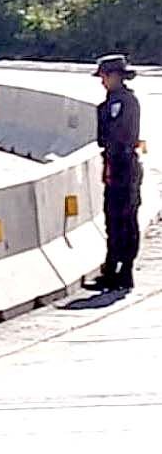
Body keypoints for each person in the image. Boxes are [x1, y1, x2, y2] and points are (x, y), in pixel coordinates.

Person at [85, 54, 143, 292]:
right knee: (113, 218)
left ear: (116, 77)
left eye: (105, 76)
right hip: (115, 165)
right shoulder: (112, 102)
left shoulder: (124, 102)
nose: (103, 81)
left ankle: (124, 270)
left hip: (124, 166)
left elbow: (117, 135)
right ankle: (111, 269)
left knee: (125, 218)